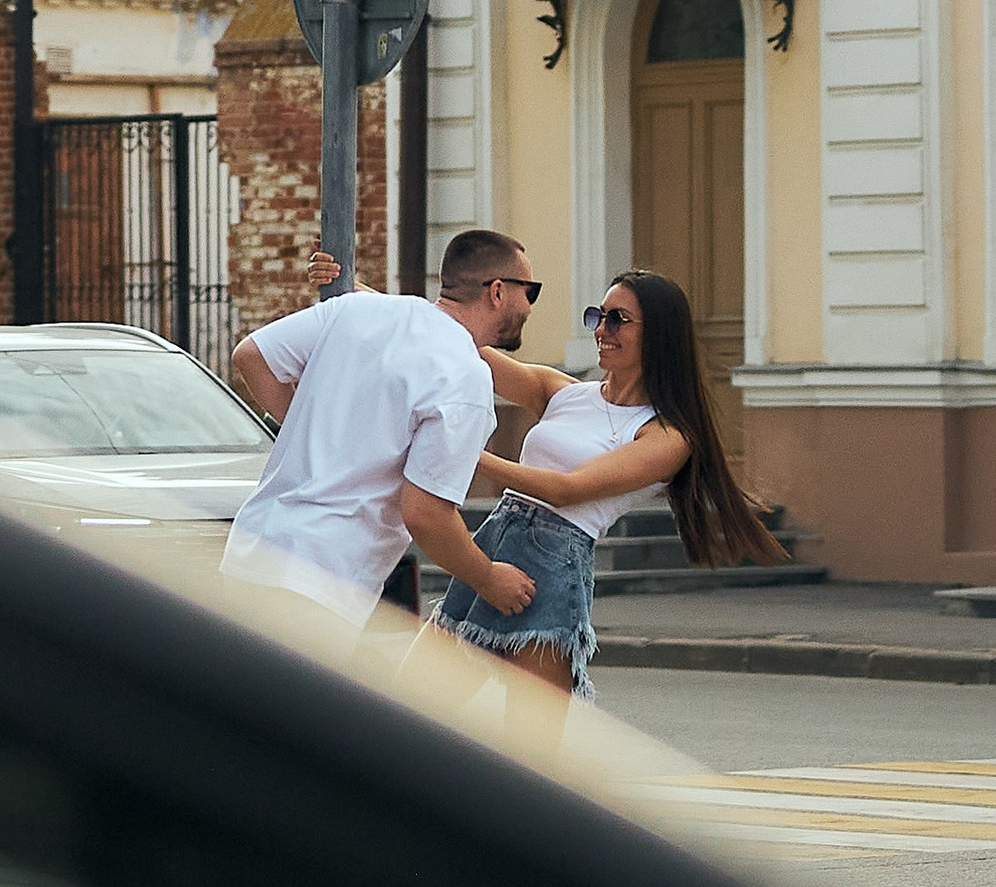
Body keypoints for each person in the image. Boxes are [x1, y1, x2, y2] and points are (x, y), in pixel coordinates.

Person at [431, 267, 779, 700]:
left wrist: (460, 452)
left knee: (531, 739)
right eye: (598, 316)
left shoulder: (667, 437)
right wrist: (353, 286)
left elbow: (566, 489)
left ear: (660, 335)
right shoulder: (564, 392)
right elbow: (451, 342)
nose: (601, 330)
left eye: (618, 319)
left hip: (552, 567)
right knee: (419, 708)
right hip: (494, 543)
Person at [224, 231, 543, 635]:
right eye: (529, 292)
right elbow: (426, 515)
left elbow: (251, 357)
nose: (531, 308)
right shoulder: (465, 377)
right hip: (323, 579)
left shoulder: (357, 311)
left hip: (250, 553)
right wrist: (488, 578)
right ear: (497, 292)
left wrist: (307, 426)